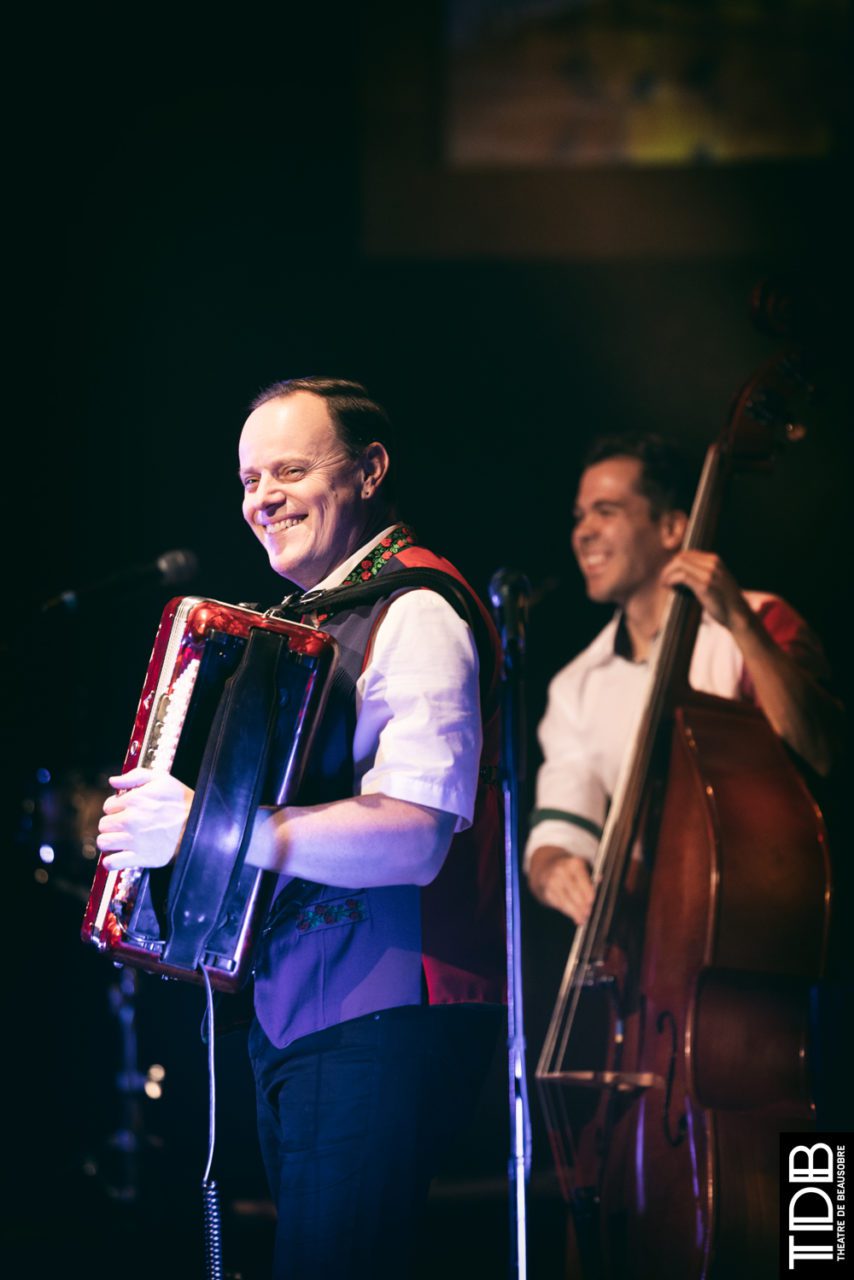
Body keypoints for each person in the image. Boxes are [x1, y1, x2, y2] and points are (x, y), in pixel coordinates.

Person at [96, 376, 506, 1279]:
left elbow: (415, 835)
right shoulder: (311, 623)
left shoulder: (416, 609)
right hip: (302, 1014)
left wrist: (206, 829)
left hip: (390, 1006)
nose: (263, 499)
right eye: (249, 480)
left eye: (290, 471)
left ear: (369, 470)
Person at [525, 431, 842, 924]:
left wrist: (739, 622)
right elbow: (564, 821)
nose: (583, 532)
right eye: (580, 515)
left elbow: (822, 751)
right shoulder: (576, 684)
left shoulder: (758, 620)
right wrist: (553, 867)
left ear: (673, 527)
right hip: (650, 936)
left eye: (606, 511)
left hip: (764, 916)